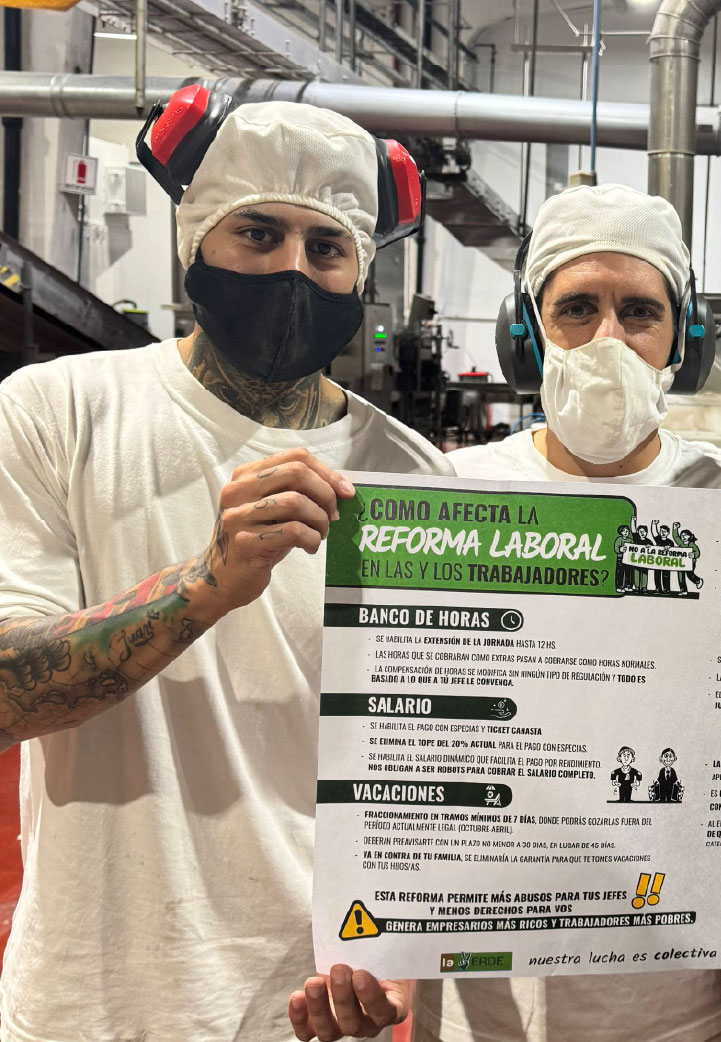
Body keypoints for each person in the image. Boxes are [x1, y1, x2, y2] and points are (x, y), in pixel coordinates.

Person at [0, 99, 449, 1041]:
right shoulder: (57, 412)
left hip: (316, 1002)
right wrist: (202, 587)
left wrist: (406, 950)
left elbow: (440, 756)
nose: (294, 270)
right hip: (94, 1004)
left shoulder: (414, 478)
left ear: (361, 270)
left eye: (327, 247)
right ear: (194, 241)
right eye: (258, 233)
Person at [409, 183, 721, 1042]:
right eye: (577, 308)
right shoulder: (456, 491)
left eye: (639, 311)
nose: (608, 337)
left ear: (683, 337)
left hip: (678, 999)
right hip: (485, 1002)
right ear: (528, 331)